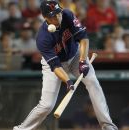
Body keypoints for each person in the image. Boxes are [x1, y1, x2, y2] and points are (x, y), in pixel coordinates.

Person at [13, 1, 118, 130]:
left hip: (75, 55)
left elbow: (83, 38)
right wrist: (68, 81)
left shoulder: (67, 14)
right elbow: (56, 66)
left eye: (57, 13)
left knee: (92, 81)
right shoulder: (43, 38)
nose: (57, 17)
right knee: (47, 105)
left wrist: (83, 60)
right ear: (45, 18)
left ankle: (108, 126)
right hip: (54, 65)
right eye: (52, 16)